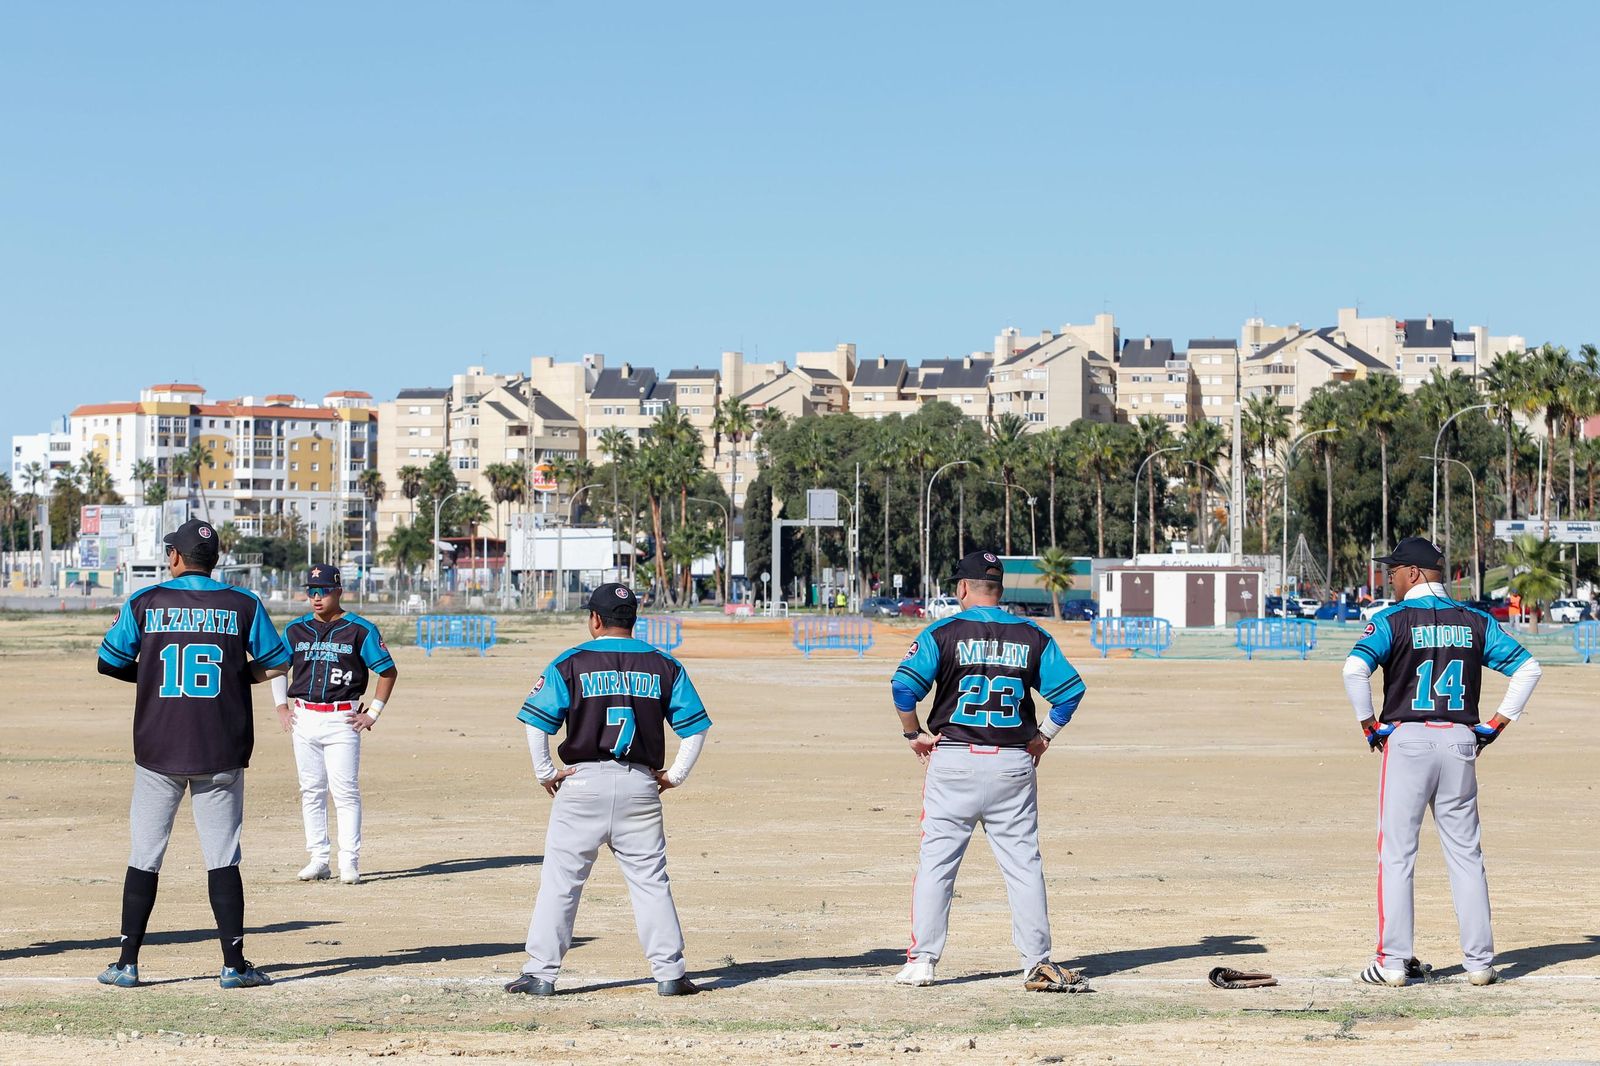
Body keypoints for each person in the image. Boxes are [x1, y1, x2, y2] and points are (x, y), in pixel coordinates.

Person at [94, 518, 292, 989]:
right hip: (220, 746)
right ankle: (233, 965)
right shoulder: (243, 603)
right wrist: (234, 677)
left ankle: (126, 963)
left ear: (175, 558)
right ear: (216, 560)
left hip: (158, 746)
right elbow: (277, 663)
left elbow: (109, 662)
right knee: (223, 857)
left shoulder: (146, 601)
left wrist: (151, 680)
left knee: (145, 855)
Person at [1343, 537, 1542, 987]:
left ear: (1413, 573)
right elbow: (1528, 669)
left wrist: (1368, 724)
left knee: (1397, 855)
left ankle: (1392, 961)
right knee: (1466, 855)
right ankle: (1479, 963)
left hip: (1408, 740)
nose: (1388, 577)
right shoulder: (1474, 620)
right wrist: (1494, 725)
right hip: (1459, 740)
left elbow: (1354, 670)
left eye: (1393, 570)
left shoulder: (1391, 619)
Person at [890, 551, 1088, 991]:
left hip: (955, 759)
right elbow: (1071, 693)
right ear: (998, 588)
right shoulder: (1032, 634)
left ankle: (922, 960)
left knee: (937, 864)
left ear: (963, 588)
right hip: (1013, 762)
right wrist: (1046, 735)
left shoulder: (942, 631)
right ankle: (1036, 961)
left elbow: (903, 687)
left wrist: (913, 734)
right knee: (1023, 865)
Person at [507, 583, 712, 997]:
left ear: (595, 619)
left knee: (561, 881)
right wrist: (675, 775)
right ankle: (670, 972)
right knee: (651, 881)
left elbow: (536, 721)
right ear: (633, 619)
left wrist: (545, 771)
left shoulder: (571, 661)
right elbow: (696, 728)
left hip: (582, 781)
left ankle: (542, 973)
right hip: (640, 782)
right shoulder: (663, 664)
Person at [271, 563, 399, 886]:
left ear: (339, 591)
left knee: (344, 792)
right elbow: (277, 667)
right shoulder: (295, 630)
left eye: (324, 591)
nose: (316, 597)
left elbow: (387, 671)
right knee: (310, 790)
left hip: (342, 717)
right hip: (304, 716)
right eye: (312, 591)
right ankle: (318, 858)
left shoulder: (360, 629)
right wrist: (281, 706)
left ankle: (349, 861)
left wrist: (373, 714)